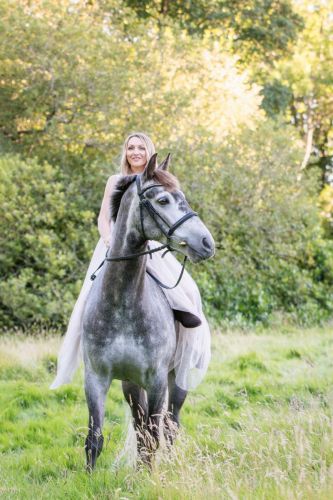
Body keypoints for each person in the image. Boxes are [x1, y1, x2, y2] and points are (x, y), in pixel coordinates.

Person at [50, 132, 211, 391]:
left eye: (141, 148)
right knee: (86, 298)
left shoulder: (156, 180)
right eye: (130, 148)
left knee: (187, 288)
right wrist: (108, 239)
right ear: (125, 152)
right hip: (114, 245)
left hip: (149, 245)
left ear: (149, 152)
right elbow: (104, 217)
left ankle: (185, 322)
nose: (135, 152)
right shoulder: (116, 180)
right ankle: (88, 343)